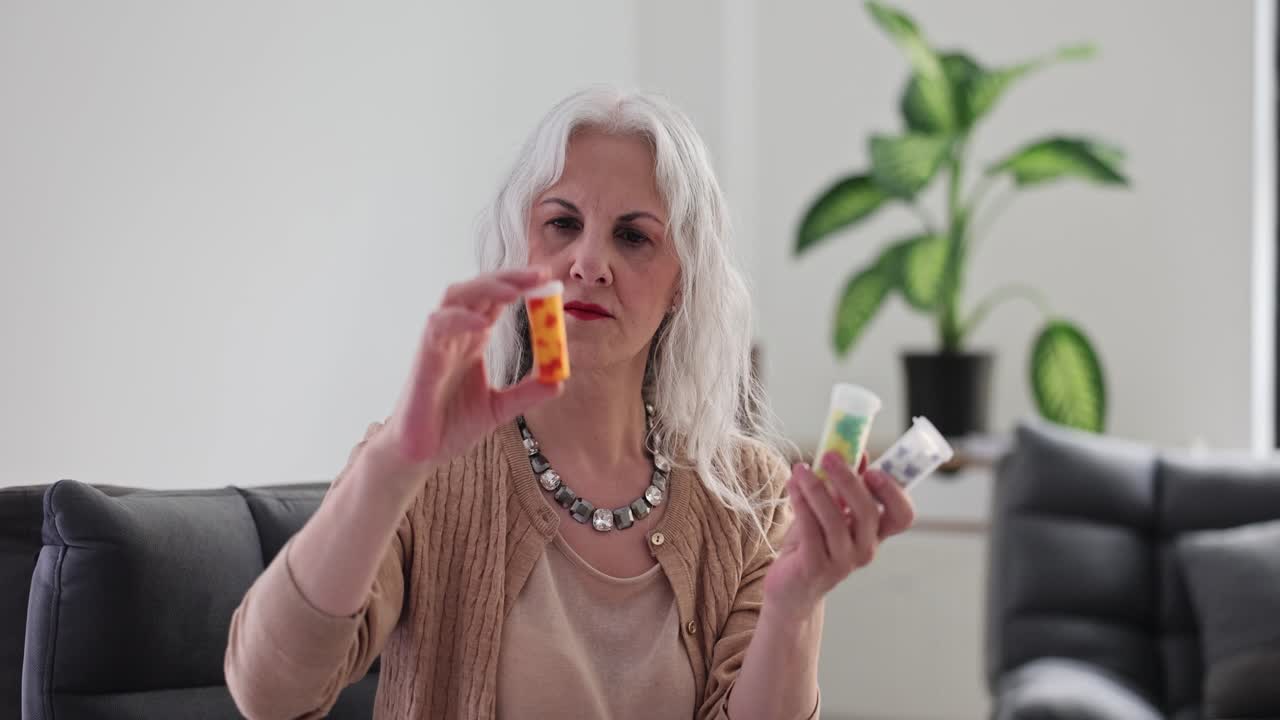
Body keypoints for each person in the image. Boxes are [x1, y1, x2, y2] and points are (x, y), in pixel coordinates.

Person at [224, 86, 916, 720]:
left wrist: (794, 606)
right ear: (522, 245)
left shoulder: (747, 492)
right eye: (562, 224)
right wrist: (391, 468)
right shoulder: (429, 466)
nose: (589, 261)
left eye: (633, 236)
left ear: (683, 281)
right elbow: (269, 696)